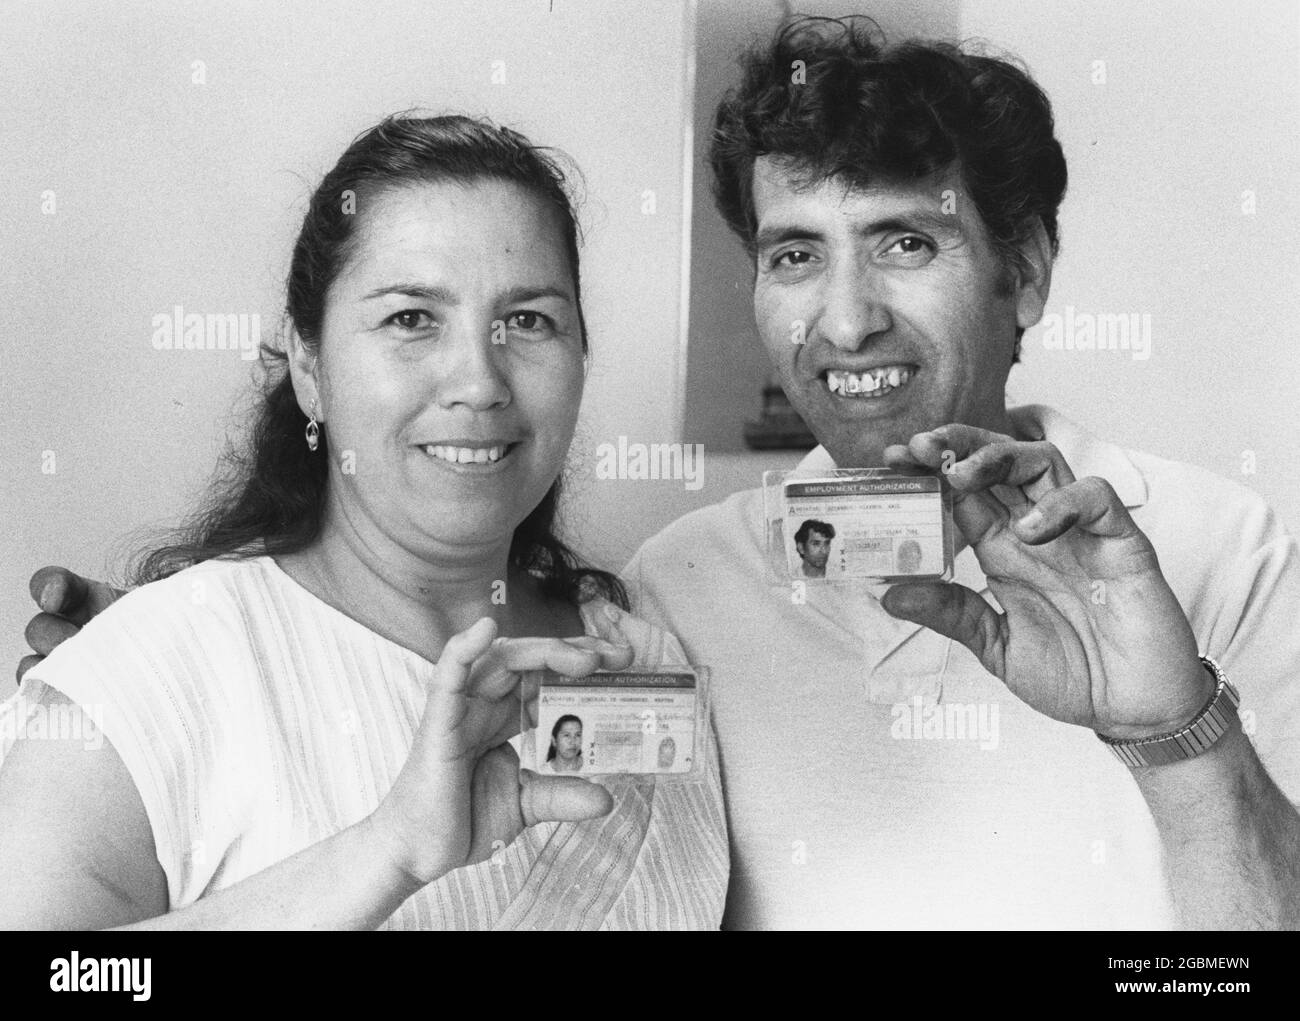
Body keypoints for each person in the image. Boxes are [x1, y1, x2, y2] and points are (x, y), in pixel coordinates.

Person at [619, 17, 1300, 929]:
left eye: (904, 243)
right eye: (796, 255)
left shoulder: (1223, 543)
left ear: (1022, 274)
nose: (848, 322)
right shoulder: (675, 585)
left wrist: (1176, 732)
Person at [0, 114, 727, 930]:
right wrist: (388, 850)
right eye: (411, 318)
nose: (479, 382)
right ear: (308, 367)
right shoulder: (139, 680)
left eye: (528, 320)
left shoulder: (645, 657)